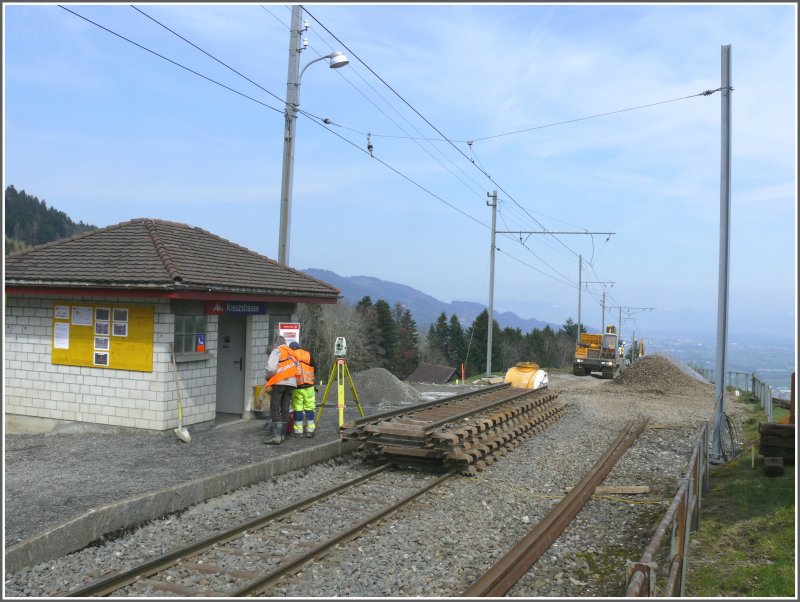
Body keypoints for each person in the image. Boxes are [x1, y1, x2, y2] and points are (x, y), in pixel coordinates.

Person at [264, 336, 298, 445]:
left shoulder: (277, 351)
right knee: (285, 409)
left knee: (275, 408)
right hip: (291, 383)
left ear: (276, 343)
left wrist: (268, 376)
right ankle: (283, 435)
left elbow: (271, 368)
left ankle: (276, 436)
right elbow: (297, 367)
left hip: (279, 383)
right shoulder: (291, 352)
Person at [289, 341, 317, 437]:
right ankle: (310, 430)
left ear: (291, 348)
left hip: (297, 387)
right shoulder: (307, 354)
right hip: (309, 386)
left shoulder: (291, 356)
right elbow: (315, 368)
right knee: (310, 407)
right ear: (299, 347)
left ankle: (298, 431)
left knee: (298, 409)